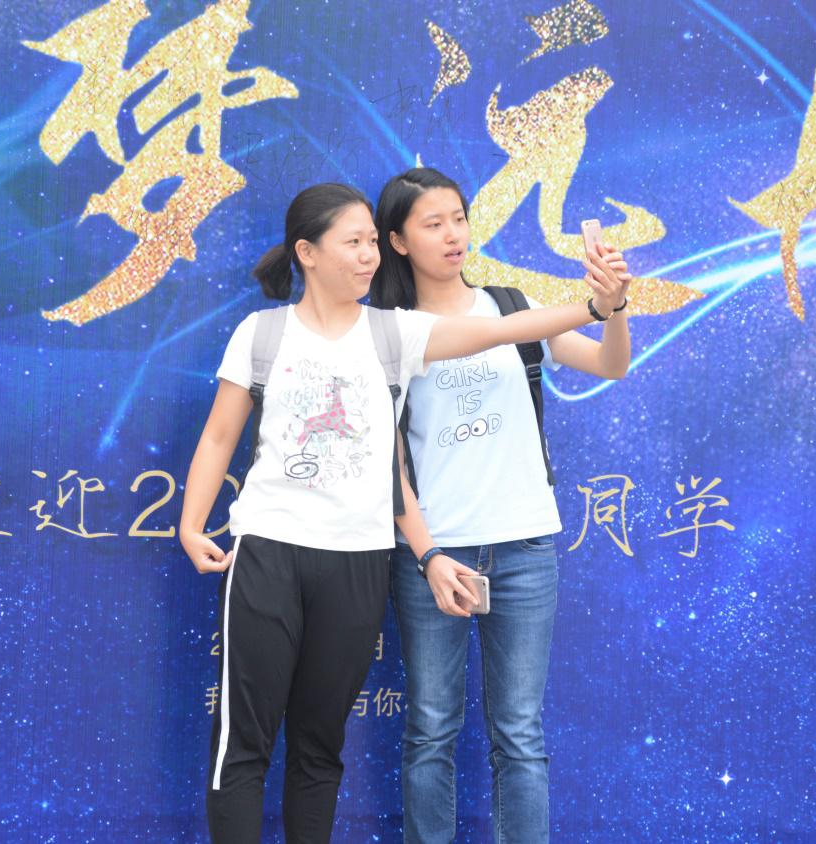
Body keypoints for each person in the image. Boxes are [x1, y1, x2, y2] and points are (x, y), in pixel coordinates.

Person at [177, 181, 625, 843]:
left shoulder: (394, 333)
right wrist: (191, 523)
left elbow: (502, 330)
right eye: (353, 243)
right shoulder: (266, 332)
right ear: (308, 252)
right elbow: (222, 435)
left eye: (370, 242)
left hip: (372, 557)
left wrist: (597, 307)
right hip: (282, 548)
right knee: (253, 742)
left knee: (325, 746)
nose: (368, 256)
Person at [371, 167, 632, 844]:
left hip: (523, 545)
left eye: (458, 218)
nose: (452, 234)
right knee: (431, 726)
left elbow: (610, 365)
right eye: (432, 224)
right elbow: (388, 463)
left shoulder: (512, 306)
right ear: (397, 240)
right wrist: (428, 552)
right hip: (435, 554)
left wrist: (616, 306)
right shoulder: (385, 332)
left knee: (519, 732)